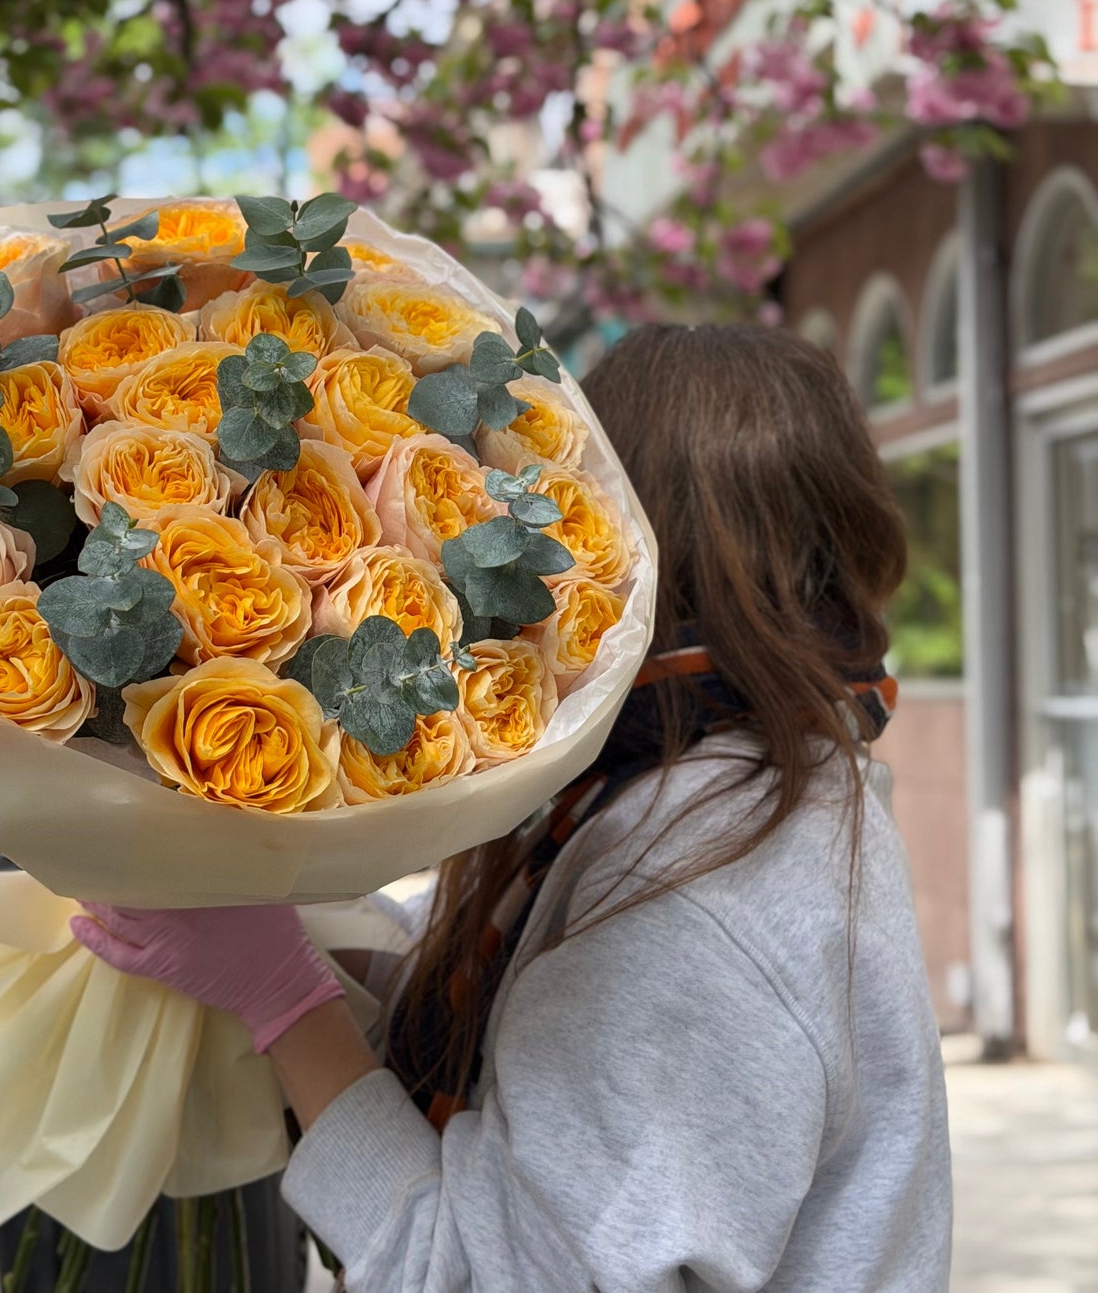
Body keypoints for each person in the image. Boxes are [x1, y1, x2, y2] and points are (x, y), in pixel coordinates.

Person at [72, 324, 953, 1292]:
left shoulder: (698, 877)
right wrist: (306, 934)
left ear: (604, 530)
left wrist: (286, 998)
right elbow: (547, 1029)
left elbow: (483, 1271)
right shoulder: (711, 767)